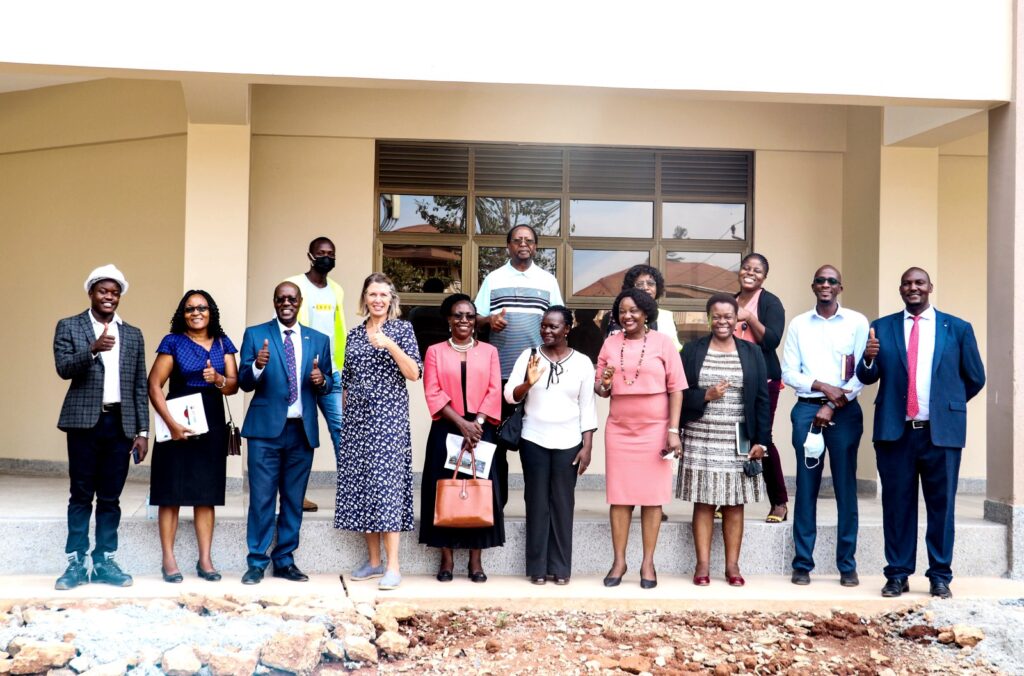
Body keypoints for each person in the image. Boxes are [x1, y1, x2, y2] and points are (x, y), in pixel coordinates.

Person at [857, 268, 985, 599]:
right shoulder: (882, 327)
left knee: (941, 508)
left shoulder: (956, 328)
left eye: (919, 283)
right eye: (907, 284)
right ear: (900, 289)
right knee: (897, 506)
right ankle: (897, 574)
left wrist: (947, 405)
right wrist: (869, 360)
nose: (913, 288)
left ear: (930, 288)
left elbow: (975, 377)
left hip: (940, 435)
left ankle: (940, 575)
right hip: (895, 433)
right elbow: (867, 376)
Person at [53, 264, 149, 590]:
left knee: (110, 497)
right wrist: (93, 349)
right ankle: (76, 563)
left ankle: (105, 560)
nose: (109, 297)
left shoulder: (132, 334)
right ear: (91, 293)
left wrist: (143, 432)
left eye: (115, 292)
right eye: (103, 291)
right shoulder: (70, 326)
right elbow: (64, 368)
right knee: (81, 494)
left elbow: (139, 386)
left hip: (120, 425)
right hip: (83, 424)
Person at [238, 281, 332, 585]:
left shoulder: (318, 339)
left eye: (291, 298)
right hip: (265, 431)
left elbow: (327, 382)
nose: (286, 303)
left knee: (293, 499)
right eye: (281, 299)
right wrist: (256, 366)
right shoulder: (256, 334)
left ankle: (285, 560)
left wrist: (321, 381)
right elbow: (244, 382)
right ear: (275, 302)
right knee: (262, 498)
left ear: (300, 301)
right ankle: (256, 562)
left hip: (301, 431)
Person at [781, 265, 868, 587]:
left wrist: (832, 403)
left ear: (840, 287)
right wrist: (823, 386)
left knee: (846, 488)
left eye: (832, 280)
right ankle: (803, 563)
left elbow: (862, 372)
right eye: (820, 280)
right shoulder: (800, 324)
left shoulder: (857, 322)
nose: (826, 285)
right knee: (806, 488)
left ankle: (847, 565)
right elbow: (789, 372)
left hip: (844, 413)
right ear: (813, 286)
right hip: (806, 412)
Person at [335, 272, 422, 590]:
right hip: (358, 423)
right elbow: (346, 382)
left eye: (383, 294)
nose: (378, 300)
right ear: (364, 298)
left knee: (387, 490)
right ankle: (373, 562)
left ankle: (393, 566)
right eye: (372, 294)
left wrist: (389, 345)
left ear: (391, 299)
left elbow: (415, 373)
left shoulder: (403, 329)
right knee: (363, 490)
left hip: (389, 423)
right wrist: (346, 422)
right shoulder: (354, 335)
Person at [595, 288, 685, 589]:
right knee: (619, 498)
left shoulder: (663, 343)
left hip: (656, 429)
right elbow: (601, 389)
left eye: (633, 310)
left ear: (646, 312)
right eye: (622, 311)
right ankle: (619, 561)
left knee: (652, 498)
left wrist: (673, 431)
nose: (627, 316)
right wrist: (605, 383)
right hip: (620, 429)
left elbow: (676, 389)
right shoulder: (610, 343)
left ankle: (648, 562)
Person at [678, 293, 770, 587]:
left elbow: (761, 399)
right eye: (716, 316)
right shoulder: (692, 351)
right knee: (703, 501)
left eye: (728, 316)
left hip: (739, 437)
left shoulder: (752, 353)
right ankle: (702, 565)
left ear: (737, 319)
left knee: (734, 503)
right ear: (708, 318)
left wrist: (762, 440)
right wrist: (706, 395)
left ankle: (732, 566)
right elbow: (678, 394)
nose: (722, 321)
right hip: (701, 435)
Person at [148, 290, 238, 583]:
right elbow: (154, 384)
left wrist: (220, 379)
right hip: (178, 418)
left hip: (210, 421)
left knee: (206, 493)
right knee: (170, 492)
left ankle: (205, 559)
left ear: (211, 311)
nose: (196, 312)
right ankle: (169, 560)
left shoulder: (223, 343)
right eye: (189, 308)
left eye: (201, 307)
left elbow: (233, 385)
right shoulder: (172, 342)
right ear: (182, 314)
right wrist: (171, 424)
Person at [506, 306, 598, 585]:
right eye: (544, 326)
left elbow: (587, 406)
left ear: (567, 329)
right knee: (536, 503)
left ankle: (560, 568)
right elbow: (510, 395)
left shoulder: (582, 362)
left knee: (562, 503)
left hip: (569, 443)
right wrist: (528, 383)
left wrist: (587, 446)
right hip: (533, 439)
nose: (546, 330)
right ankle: (537, 568)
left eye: (553, 326)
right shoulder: (529, 356)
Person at [475, 224, 564, 506]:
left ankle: (536, 509)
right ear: (508, 246)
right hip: (500, 374)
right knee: (498, 443)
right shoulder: (494, 278)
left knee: (533, 444)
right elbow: (474, 318)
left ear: (536, 247)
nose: (523, 244)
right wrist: (489, 321)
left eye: (529, 240)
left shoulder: (548, 280)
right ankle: (496, 508)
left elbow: (559, 319)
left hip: (536, 376)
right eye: (517, 240)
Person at [420, 294, 504, 583]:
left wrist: (476, 424)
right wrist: (462, 424)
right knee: (444, 489)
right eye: (458, 315)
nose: (464, 320)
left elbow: (495, 390)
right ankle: (446, 560)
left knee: (479, 489)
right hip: (447, 427)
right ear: (448, 319)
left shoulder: (490, 352)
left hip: (482, 430)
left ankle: (476, 561)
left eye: (469, 315)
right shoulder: (434, 352)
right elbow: (432, 390)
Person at [284, 236, 347, 513]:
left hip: (331, 374)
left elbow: (338, 330)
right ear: (309, 255)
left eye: (331, 253)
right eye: (321, 252)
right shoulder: (294, 285)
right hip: (300, 374)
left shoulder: (336, 290)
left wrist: (342, 368)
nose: (326, 257)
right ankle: (296, 495)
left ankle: (350, 493)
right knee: (301, 434)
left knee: (342, 430)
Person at [733, 253, 789, 523]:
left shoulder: (770, 302)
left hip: (764, 380)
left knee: (762, 439)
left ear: (764, 276)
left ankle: (779, 501)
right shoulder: (730, 302)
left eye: (757, 270)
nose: (750, 272)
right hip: (733, 380)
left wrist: (748, 318)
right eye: (746, 268)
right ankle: (728, 500)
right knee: (733, 440)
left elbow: (773, 341)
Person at [605, 264, 682, 352]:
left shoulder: (667, 316)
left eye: (650, 284)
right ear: (630, 288)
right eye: (640, 284)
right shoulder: (618, 316)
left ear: (657, 288)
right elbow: (611, 351)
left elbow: (676, 350)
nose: (646, 288)